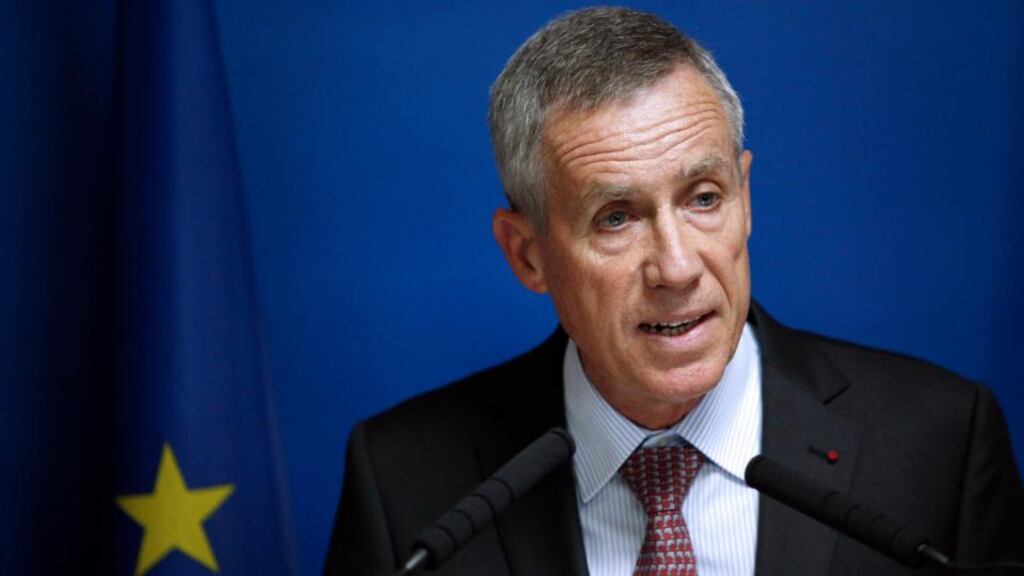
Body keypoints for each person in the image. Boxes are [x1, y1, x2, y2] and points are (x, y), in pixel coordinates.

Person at [324, 7, 1023, 575]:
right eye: (616, 218)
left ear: (746, 198)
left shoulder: (939, 442)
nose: (678, 267)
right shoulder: (404, 484)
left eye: (704, 198)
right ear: (528, 255)